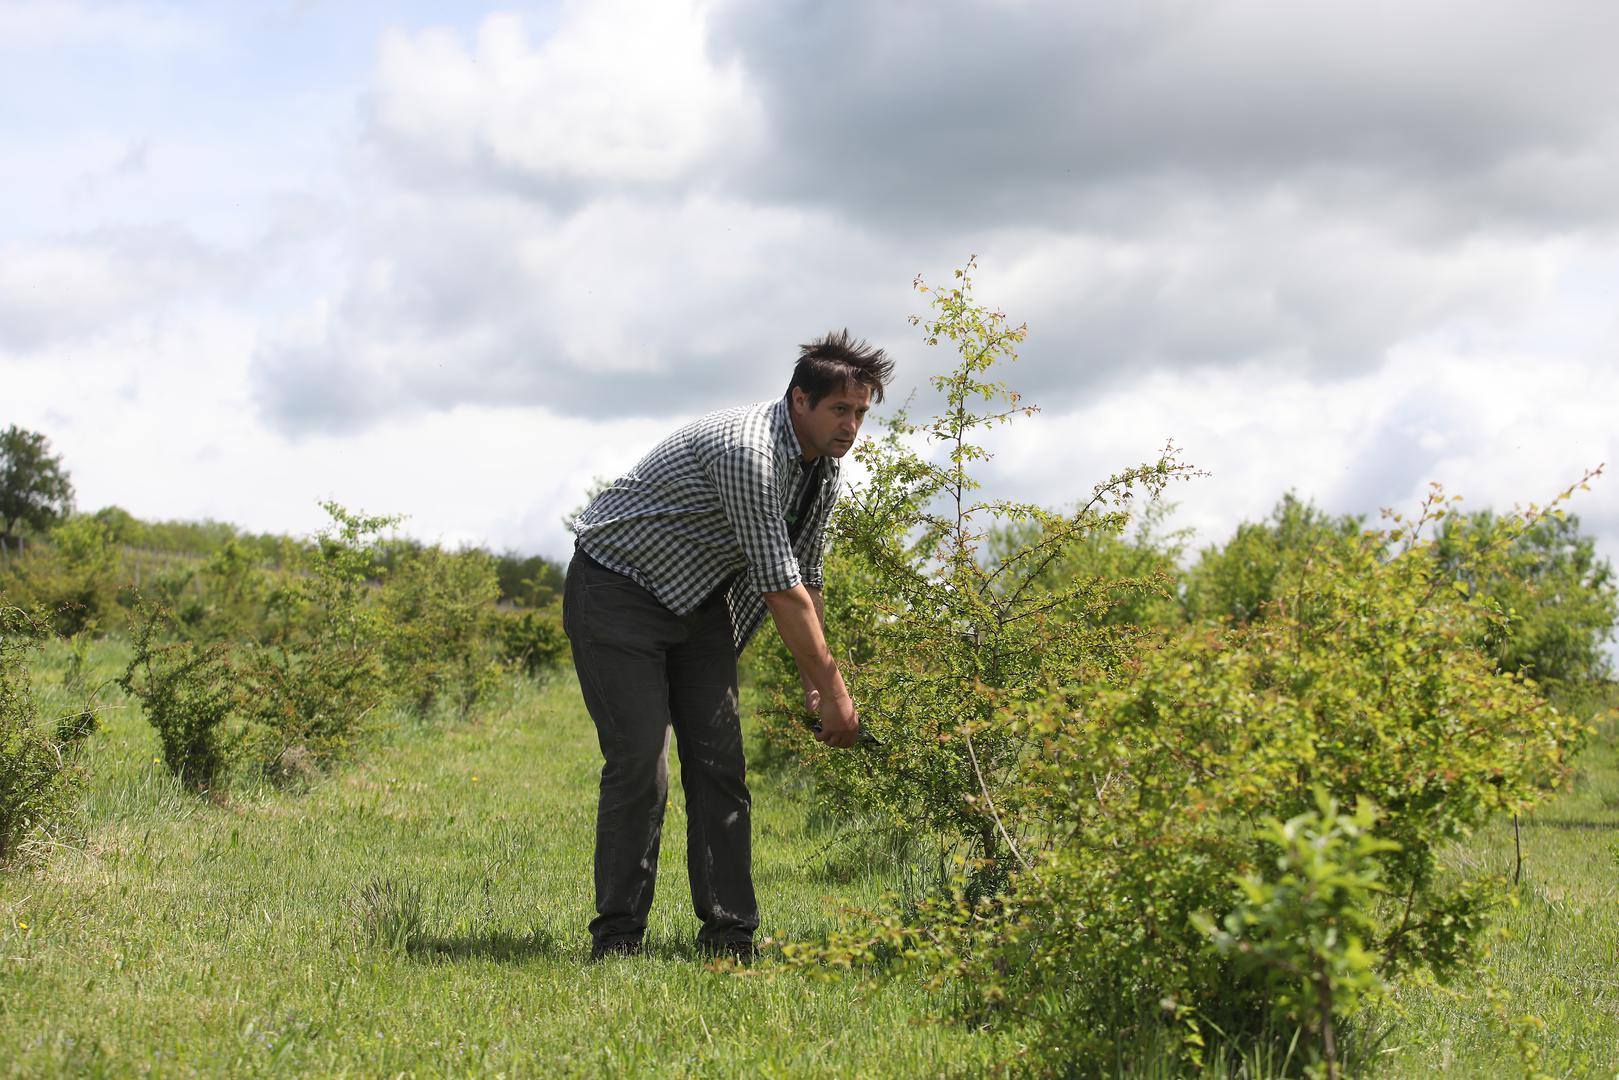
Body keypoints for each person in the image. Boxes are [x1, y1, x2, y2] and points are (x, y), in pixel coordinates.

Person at [564, 330, 893, 961]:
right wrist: (838, 694)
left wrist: (817, 685)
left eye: (861, 413)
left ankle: (729, 937)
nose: (851, 427)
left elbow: (807, 574)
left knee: (721, 765)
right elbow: (779, 588)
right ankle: (618, 938)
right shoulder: (749, 452)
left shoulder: (821, 469)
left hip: (698, 603)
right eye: (840, 410)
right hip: (617, 590)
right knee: (641, 762)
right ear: (800, 400)